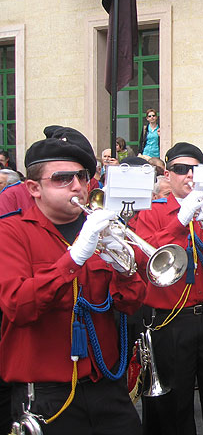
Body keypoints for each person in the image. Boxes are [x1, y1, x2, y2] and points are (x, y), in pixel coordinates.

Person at [0, 126, 145, 434]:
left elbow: (131, 305)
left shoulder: (99, 228)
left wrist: (125, 270)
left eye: (82, 176)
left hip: (104, 382)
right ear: (33, 188)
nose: (77, 186)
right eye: (62, 178)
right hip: (47, 393)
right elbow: (18, 305)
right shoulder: (11, 232)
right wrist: (74, 257)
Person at [133, 142, 203, 435]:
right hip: (171, 321)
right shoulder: (152, 213)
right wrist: (181, 221)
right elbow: (144, 258)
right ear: (168, 175)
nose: (188, 176)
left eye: (195, 169)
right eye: (180, 170)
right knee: (173, 407)